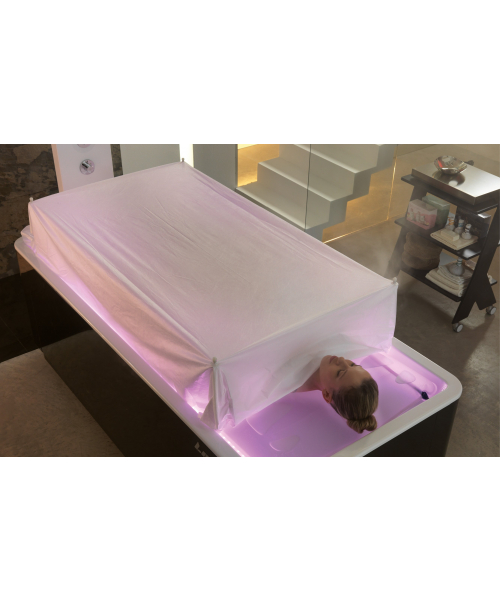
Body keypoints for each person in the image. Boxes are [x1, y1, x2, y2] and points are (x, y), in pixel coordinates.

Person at [295, 355, 378, 434]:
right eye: (353, 365)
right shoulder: (328, 362)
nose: (342, 359)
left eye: (340, 372)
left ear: (327, 395)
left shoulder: (291, 382)